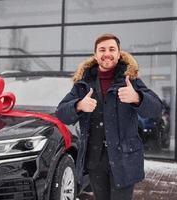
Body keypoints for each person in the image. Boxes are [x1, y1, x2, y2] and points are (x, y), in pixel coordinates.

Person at [56, 33, 163, 200]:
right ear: (95, 55)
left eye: (112, 49)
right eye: (102, 49)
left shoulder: (131, 79)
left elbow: (157, 108)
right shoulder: (83, 83)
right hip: (95, 159)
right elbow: (61, 113)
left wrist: (137, 98)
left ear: (119, 54)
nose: (107, 53)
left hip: (124, 159)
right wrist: (78, 105)